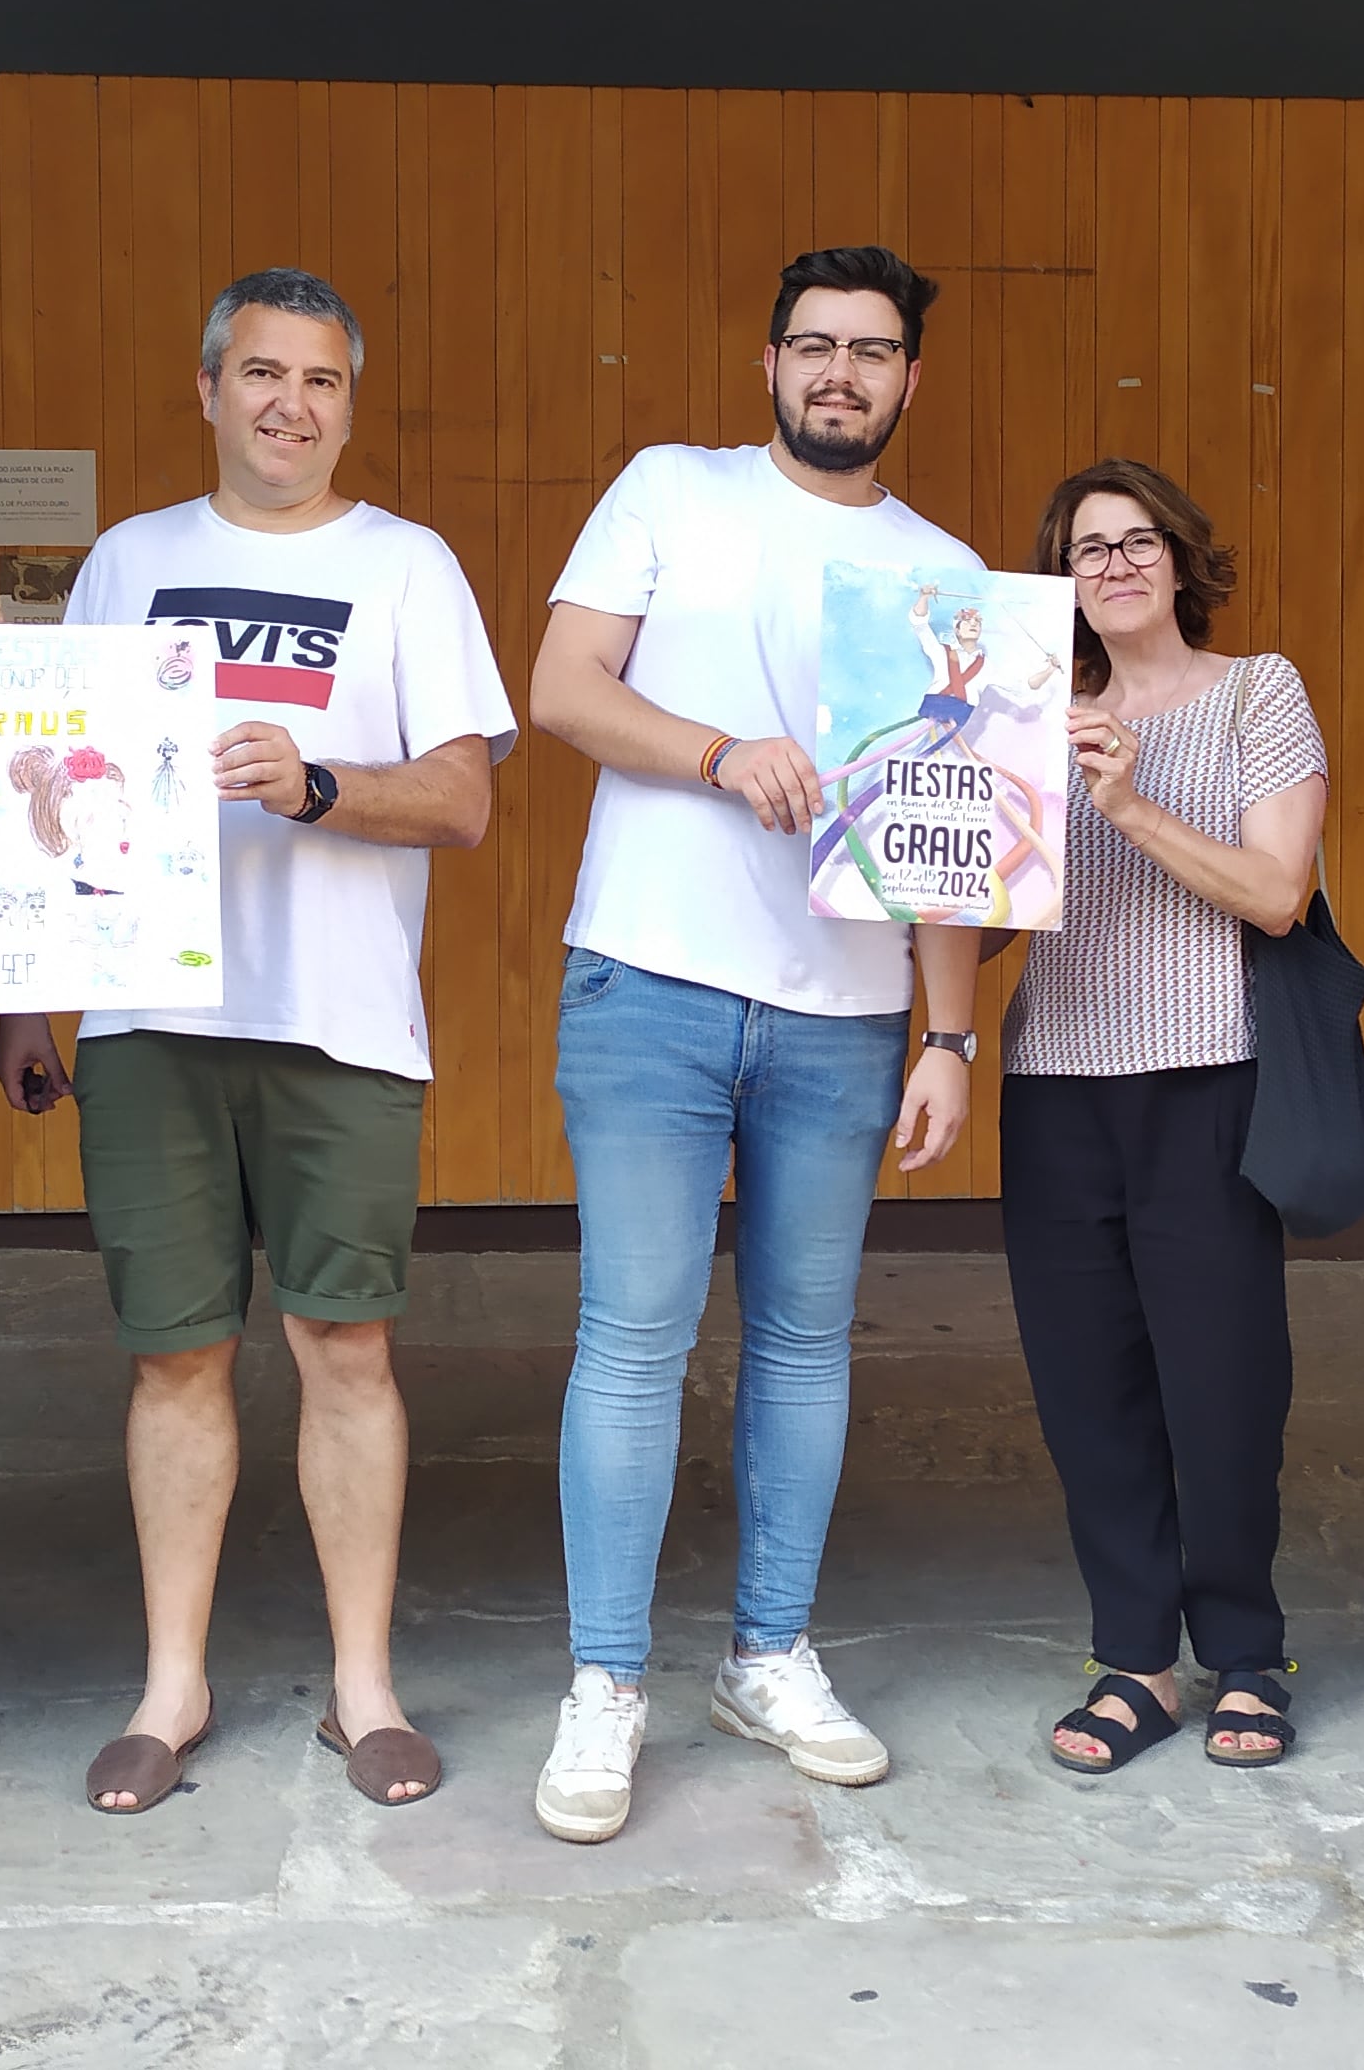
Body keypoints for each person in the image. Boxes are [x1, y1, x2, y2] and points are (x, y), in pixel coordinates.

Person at [0, 269, 515, 1816]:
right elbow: (49, 771)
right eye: (264, 372)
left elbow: (468, 798)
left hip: (341, 1016)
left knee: (346, 1344)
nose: (293, 402)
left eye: (325, 380)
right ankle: (175, 1682)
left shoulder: (408, 566)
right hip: (151, 1010)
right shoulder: (128, 558)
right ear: (208, 387)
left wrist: (317, 784)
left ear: (350, 404)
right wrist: (34, 993)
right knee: (174, 1355)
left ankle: (364, 1688)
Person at [523, 244, 984, 1844]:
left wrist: (953, 1033)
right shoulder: (672, 489)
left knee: (805, 1340)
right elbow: (563, 687)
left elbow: (951, 831)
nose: (839, 373)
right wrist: (722, 753)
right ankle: (605, 1683)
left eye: (871, 350)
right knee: (632, 1338)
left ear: (912, 378)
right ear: (771, 363)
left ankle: (770, 1652)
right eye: (813, 346)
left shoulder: (946, 570)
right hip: (649, 975)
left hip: (846, 1010)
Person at [994, 459, 1327, 1774]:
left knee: (1224, 1380)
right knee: (1090, 1385)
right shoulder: (1025, 711)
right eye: (1088, 548)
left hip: (1209, 1075)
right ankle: (1135, 1657)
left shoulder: (1258, 690)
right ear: (1061, 581)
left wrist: (1127, 801)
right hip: (1055, 1081)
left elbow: (1278, 892)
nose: (1118, 563)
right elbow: (978, 904)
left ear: (1182, 559)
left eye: (1140, 541)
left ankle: (1246, 1649)